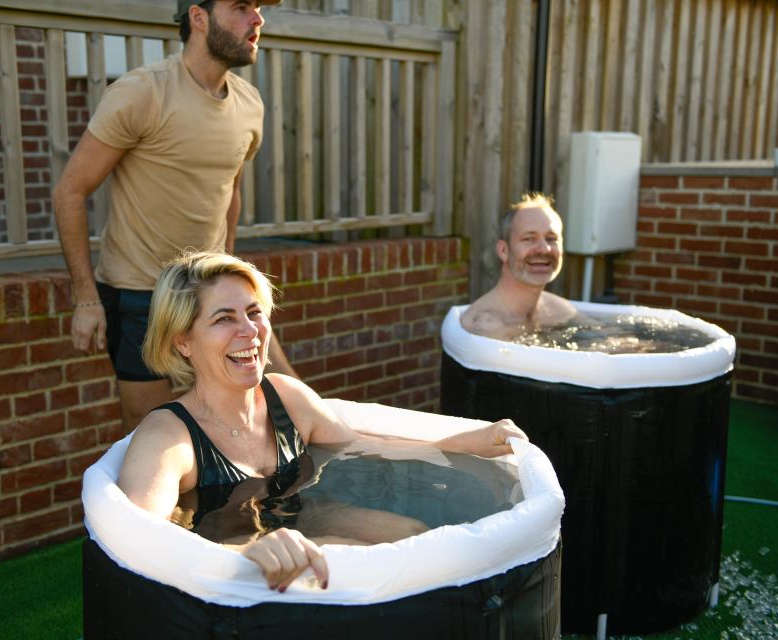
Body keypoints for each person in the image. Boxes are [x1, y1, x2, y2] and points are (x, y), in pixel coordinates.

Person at [118, 251, 529, 592]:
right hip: (226, 554)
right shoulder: (168, 436)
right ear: (183, 341)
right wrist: (244, 554)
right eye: (224, 318)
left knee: (412, 533)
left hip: (304, 516)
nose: (250, 332)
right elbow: (138, 540)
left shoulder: (285, 397)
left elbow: (364, 445)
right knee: (346, 564)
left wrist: (467, 440)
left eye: (254, 312)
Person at [53, 0, 295, 433]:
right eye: (241, 7)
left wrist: (230, 275)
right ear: (198, 18)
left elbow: (230, 192)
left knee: (280, 400)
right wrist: (86, 299)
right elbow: (70, 191)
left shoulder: (248, 104)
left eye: (258, 8)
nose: (256, 20)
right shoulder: (142, 92)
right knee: (150, 431)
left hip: (212, 293)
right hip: (142, 293)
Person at [460, 193, 577, 341]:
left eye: (551, 239)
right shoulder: (484, 327)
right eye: (529, 239)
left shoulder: (561, 310)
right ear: (503, 251)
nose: (544, 249)